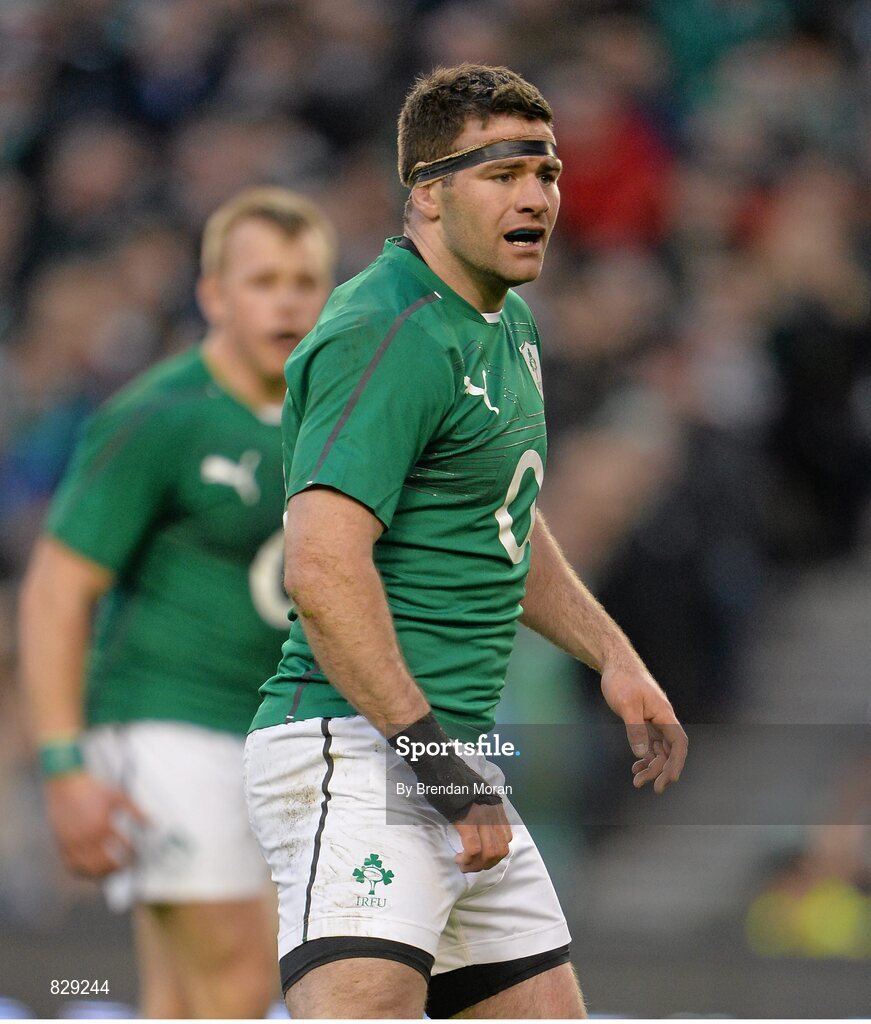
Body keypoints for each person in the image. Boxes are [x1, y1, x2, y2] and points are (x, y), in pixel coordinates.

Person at [243, 64, 688, 1020]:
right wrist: (436, 766)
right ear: (428, 194)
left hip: (446, 754)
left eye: (548, 170)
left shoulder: (504, 323)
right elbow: (320, 566)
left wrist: (612, 655)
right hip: (361, 751)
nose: (535, 195)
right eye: (501, 172)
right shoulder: (389, 327)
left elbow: (505, 517)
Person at [18, 187, 335, 1018]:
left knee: (186, 997)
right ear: (212, 294)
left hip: (281, 732)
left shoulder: (334, 418)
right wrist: (62, 764)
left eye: (306, 281)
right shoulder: (158, 416)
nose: (287, 301)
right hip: (168, 719)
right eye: (263, 280)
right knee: (237, 977)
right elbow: (56, 590)